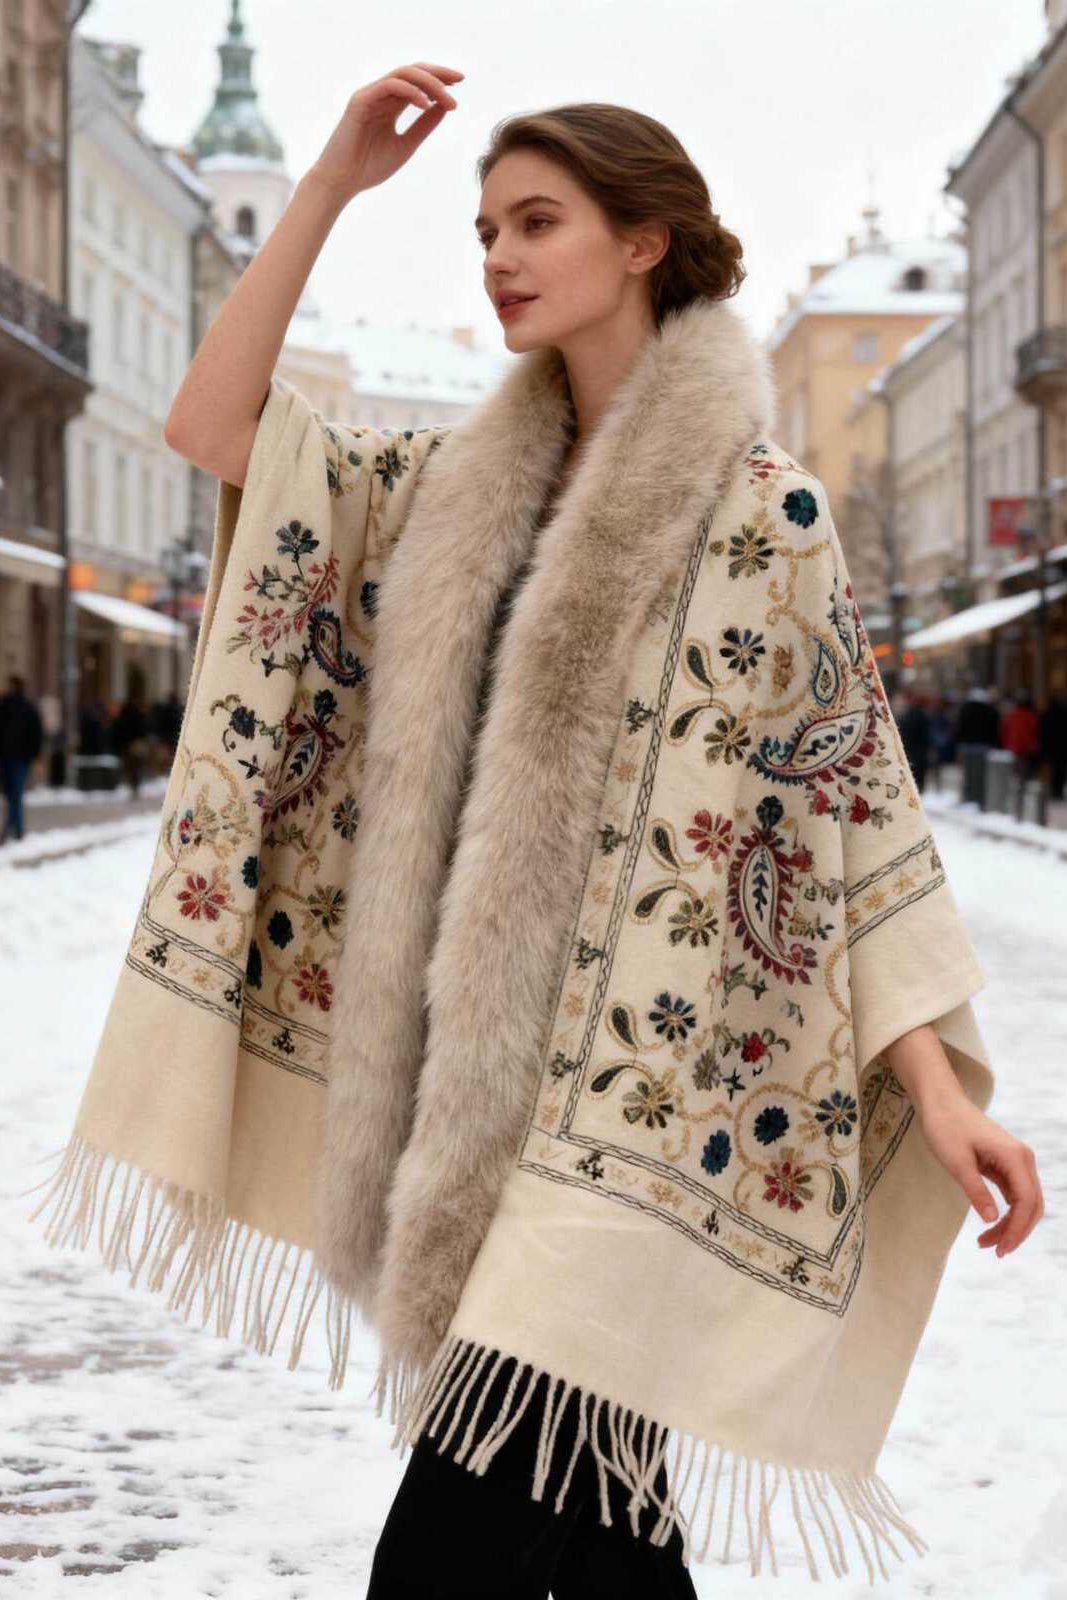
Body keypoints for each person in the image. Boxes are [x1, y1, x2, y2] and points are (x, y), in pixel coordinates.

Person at [35, 63, 1044, 1597]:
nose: (497, 258)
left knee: (453, 1550)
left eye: (535, 222)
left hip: (641, 1114)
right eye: (482, 229)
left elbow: (842, 807)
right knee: (606, 1532)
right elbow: (211, 420)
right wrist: (325, 188)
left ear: (642, 241)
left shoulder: (762, 513)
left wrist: (933, 1083)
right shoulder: (443, 487)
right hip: (470, 1102)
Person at [0, 673, 44, 843]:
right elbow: (36, 734)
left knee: (12, 793)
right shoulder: (28, 707)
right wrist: (36, 755)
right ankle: (16, 829)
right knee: (15, 793)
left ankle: (12, 829)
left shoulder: (6, 705)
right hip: (21, 757)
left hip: (9, 757)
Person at [109, 684, 151, 796]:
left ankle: (133, 784)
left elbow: (118, 730)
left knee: (130, 765)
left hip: (127, 744)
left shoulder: (123, 716)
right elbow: (143, 728)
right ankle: (135, 784)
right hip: (135, 743)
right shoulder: (138, 714)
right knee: (136, 765)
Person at [896, 687, 932, 792]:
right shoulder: (921, 715)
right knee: (918, 777)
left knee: (913, 776)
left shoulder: (908, 716)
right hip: (916, 751)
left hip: (912, 750)